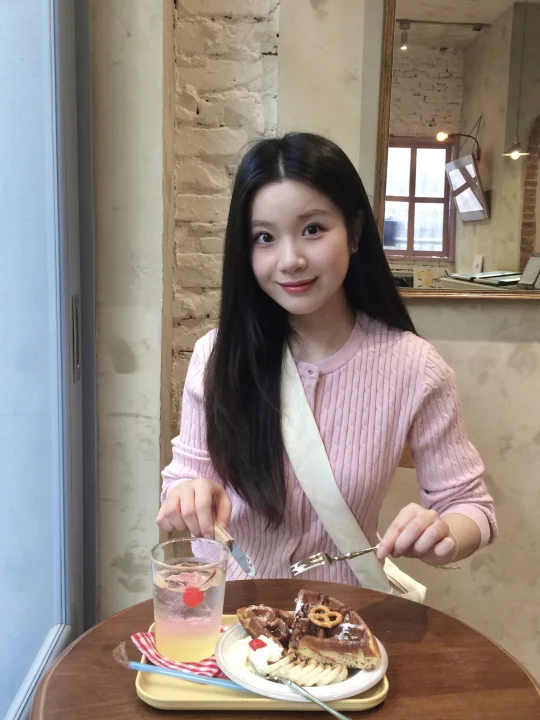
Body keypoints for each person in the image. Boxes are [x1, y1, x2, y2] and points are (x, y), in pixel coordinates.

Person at [157, 132, 497, 586]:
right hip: (231, 614)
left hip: (342, 617)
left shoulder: (415, 367)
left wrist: (443, 534)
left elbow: (471, 506)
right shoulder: (217, 356)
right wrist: (188, 495)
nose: (291, 260)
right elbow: (181, 481)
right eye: (264, 237)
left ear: (354, 232)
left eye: (313, 229)